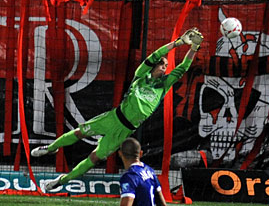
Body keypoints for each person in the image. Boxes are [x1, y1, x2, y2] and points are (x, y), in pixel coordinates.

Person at [32, 28, 204, 192]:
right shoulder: (140, 76)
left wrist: (194, 48)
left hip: (124, 131)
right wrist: (179, 42)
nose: (164, 68)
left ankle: (61, 181)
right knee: (79, 133)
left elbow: (183, 68)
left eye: (166, 66)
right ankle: (51, 148)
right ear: (153, 67)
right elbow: (155, 55)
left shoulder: (163, 85)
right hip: (113, 118)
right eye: (162, 65)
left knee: (93, 158)